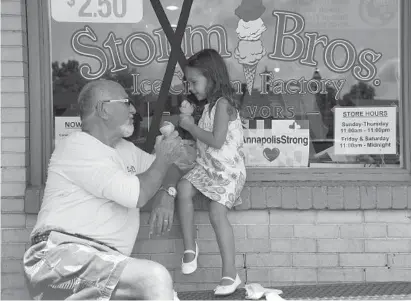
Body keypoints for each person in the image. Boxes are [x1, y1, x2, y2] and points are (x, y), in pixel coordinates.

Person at [23, 79, 184, 300]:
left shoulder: (127, 150)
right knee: (153, 279)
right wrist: (163, 158)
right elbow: (137, 194)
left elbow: (171, 170)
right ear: (104, 109)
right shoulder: (77, 145)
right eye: (127, 103)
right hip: (60, 256)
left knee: (165, 293)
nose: (134, 110)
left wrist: (167, 193)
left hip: (106, 265)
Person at [177, 49, 247, 296]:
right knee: (183, 189)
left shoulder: (223, 105)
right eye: (189, 82)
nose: (192, 87)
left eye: (195, 82)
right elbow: (205, 146)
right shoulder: (207, 108)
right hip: (208, 168)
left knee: (217, 212)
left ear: (212, 77)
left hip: (228, 172)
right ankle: (190, 247)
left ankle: (230, 273)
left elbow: (217, 141)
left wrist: (190, 126)